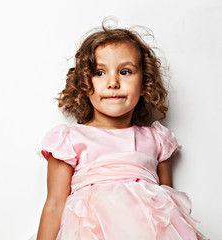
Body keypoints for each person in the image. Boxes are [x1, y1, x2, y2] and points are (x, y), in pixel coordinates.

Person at [31, 21, 209, 240]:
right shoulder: (68, 141)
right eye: (99, 73)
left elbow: (168, 205)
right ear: (84, 83)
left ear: (144, 83)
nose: (113, 82)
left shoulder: (157, 140)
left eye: (125, 72)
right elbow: (55, 204)